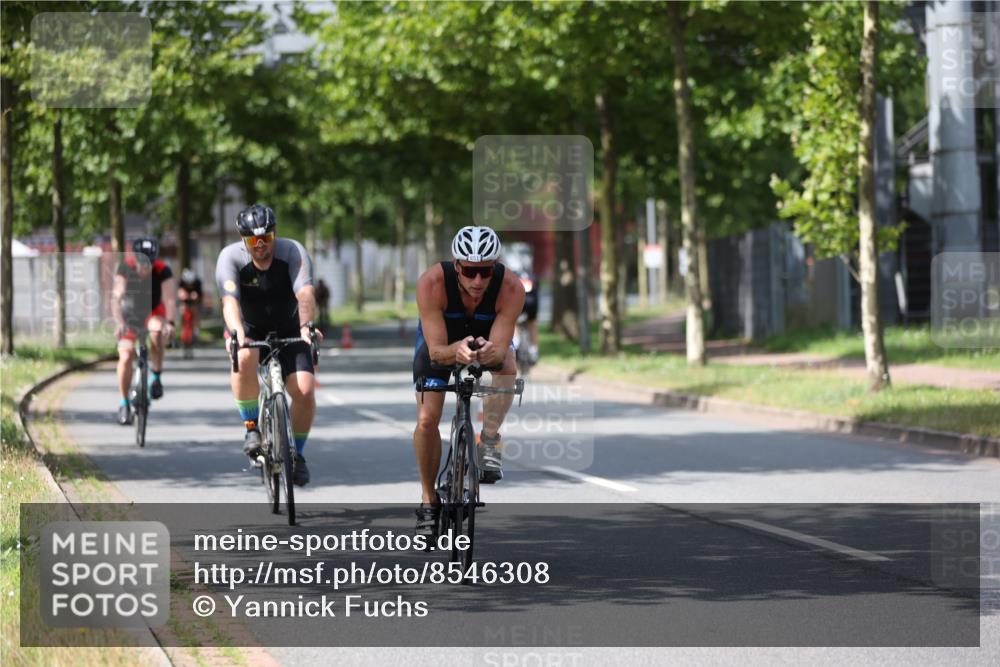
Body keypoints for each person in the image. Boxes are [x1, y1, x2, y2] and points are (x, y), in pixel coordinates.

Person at [411, 225, 525, 536]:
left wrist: (492, 353)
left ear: (495, 267)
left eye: (485, 271)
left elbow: (501, 351)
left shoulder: (511, 288)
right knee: (426, 419)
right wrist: (455, 351)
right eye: (471, 271)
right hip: (442, 342)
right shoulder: (432, 283)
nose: (478, 280)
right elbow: (435, 352)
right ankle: (428, 501)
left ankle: (488, 438)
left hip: (486, 337)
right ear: (457, 265)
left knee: (509, 362)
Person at [216, 204, 322, 486]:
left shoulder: (292, 252)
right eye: (253, 240)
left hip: (290, 327)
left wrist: (306, 327)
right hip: (249, 328)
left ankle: (296, 455)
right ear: (243, 240)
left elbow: (306, 293)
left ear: (275, 235)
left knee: (305, 389)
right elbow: (229, 301)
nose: (260, 245)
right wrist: (237, 333)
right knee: (245, 354)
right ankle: (251, 427)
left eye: (266, 238)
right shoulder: (230, 258)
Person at [112, 236, 176, 425]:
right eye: (141, 262)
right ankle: (124, 404)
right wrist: (119, 322)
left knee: (157, 332)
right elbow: (116, 298)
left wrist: (170, 322)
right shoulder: (125, 268)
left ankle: (156, 375)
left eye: (149, 262)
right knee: (125, 356)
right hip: (129, 316)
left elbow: (170, 299)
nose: (145, 267)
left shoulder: (163, 270)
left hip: (153, 313)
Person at [177, 268, 203, 344]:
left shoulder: (198, 283)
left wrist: (195, 297)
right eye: (187, 283)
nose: (189, 285)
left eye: (191, 283)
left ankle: (196, 330)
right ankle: (182, 330)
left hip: (195, 302)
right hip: (184, 301)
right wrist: (184, 295)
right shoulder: (181, 282)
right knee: (182, 310)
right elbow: (179, 294)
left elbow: (199, 297)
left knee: (196, 311)